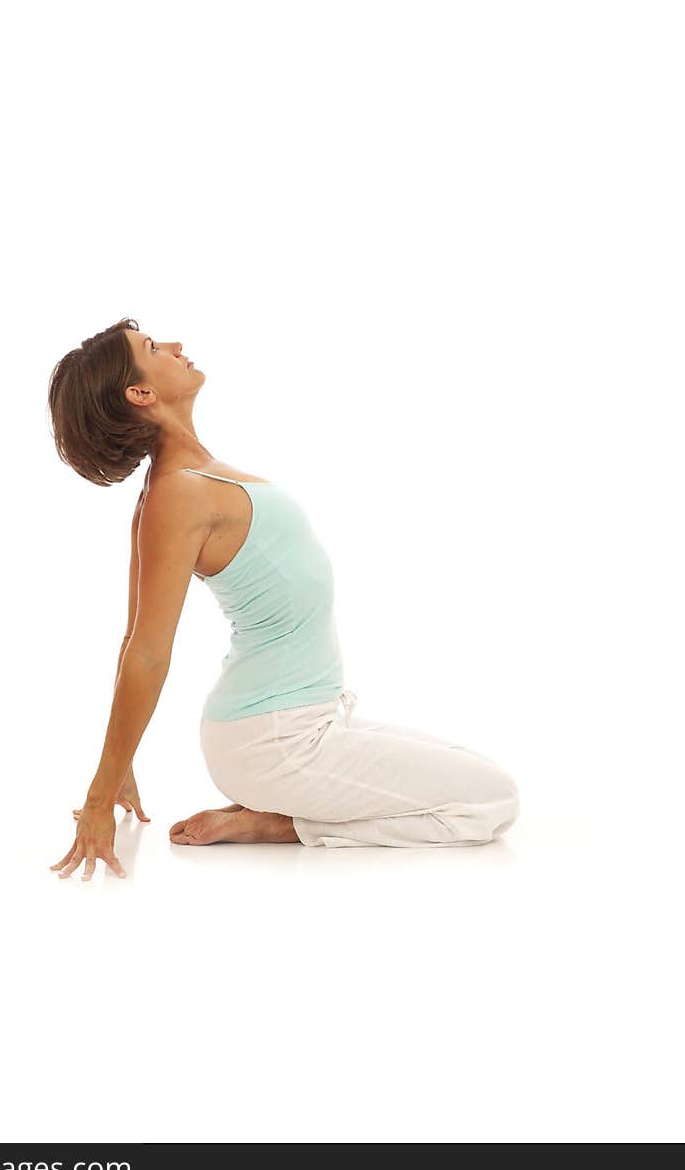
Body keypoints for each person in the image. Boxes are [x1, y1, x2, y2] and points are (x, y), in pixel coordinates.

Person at [47, 317, 520, 881]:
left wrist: (121, 763)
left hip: (306, 721)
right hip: (274, 742)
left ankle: (282, 812)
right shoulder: (175, 494)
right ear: (141, 393)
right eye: (153, 348)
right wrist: (101, 793)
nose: (175, 345)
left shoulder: (185, 482)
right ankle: (283, 825)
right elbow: (145, 651)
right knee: (493, 802)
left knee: (477, 779)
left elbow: (131, 640)